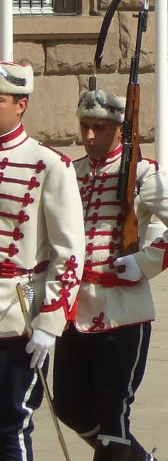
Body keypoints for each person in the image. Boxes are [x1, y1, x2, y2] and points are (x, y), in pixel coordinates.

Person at [53, 87, 168, 461]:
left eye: (99, 127)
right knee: (68, 406)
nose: (89, 137)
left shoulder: (142, 175)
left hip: (123, 312)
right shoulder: (69, 172)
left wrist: (145, 262)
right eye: (84, 126)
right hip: (74, 312)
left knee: (113, 414)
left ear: (120, 130)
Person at [0, 61, 85, 461]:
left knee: (11, 422)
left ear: (21, 104)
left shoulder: (49, 164)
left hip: (17, 312)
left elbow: (68, 253)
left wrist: (50, 322)